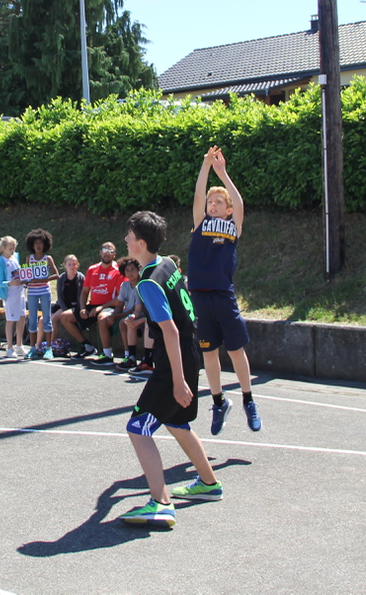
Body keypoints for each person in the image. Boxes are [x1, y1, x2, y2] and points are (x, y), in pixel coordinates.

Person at [117, 210, 222, 528]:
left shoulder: (148, 283)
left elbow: (170, 330)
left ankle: (161, 503)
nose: (126, 239)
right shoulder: (167, 265)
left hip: (173, 358)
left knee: (138, 428)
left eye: (129, 235)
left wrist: (177, 380)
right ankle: (208, 483)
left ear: (141, 243)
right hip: (190, 351)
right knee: (176, 421)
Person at [191, 146, 261, 434]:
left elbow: (240, 204)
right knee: (209, 352)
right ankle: (219, 402)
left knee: (235, 349)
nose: (213, 204)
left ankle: (248, 400)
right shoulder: (201, 223)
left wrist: (222, 173)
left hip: (223, 294)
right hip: (200, 294)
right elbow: (198, 195)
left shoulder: (233, 227)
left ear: (228, 210)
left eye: (219, 202)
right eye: (211, 202)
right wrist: (206, 166)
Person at [58, 242, 122, 358]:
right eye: (105, 250)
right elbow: (84, 291)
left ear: (114, 255)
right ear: (100, 253)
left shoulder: (118, 271)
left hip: (109, 307)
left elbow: (120, 298)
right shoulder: (92, 269)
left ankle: (107, 355)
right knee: (65, 316)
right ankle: (87, 347)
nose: (107, 253)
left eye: (110, 251)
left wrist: (101, 307)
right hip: (93, 306)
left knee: (102, 318)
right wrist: (83, 308)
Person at [93, 257, 140, 365]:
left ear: (138, 270)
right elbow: (119, 306)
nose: (130, 273)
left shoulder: (141, 285)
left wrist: (117, 316)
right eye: (127, 270)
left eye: (133, 270)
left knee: (124, 322)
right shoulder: (124, 285)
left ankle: (128, 356)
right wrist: (113, 315)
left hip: (137, 314)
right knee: (103, 319)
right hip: (125, 313)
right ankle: (107, 355)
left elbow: (135, 309)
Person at [22, 228, 58, 359]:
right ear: (32, 245)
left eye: (40, 243)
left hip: (44, 291)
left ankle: (48, 348)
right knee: (32, 319)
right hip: (32, 291)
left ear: (45, 245)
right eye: (36, 243)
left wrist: (43, 279)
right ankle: (33, 348)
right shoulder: (29, 258)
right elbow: (26, 276)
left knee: (47, 319)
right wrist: (24, 280)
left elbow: (56, 274)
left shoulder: (48, 258)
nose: (38, 245)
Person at [52, 255, 92, 358]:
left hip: (77, 306)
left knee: (70, 318)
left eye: (74, 264)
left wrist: (79, 308)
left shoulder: (81, 277)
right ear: (65, 265)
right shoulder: (62, 278)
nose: (72, 266)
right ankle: (51, 345)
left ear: (77, 265)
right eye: (69, 264)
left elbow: (83, 295)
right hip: (64, 306)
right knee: (51, 319)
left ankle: (86, 346)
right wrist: (65, 309)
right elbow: (60, 297)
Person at [0, 236, 25, 358]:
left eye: (13, 248)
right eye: (10, 248)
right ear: (3, 248)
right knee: (11, 320)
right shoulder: (1, 262)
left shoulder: (15, 257)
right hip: (10, 294)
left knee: (22, 317)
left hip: (20, 292)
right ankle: (9, 347)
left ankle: (19, 345)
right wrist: (10, 283)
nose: (12, 251)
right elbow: (0, 282)